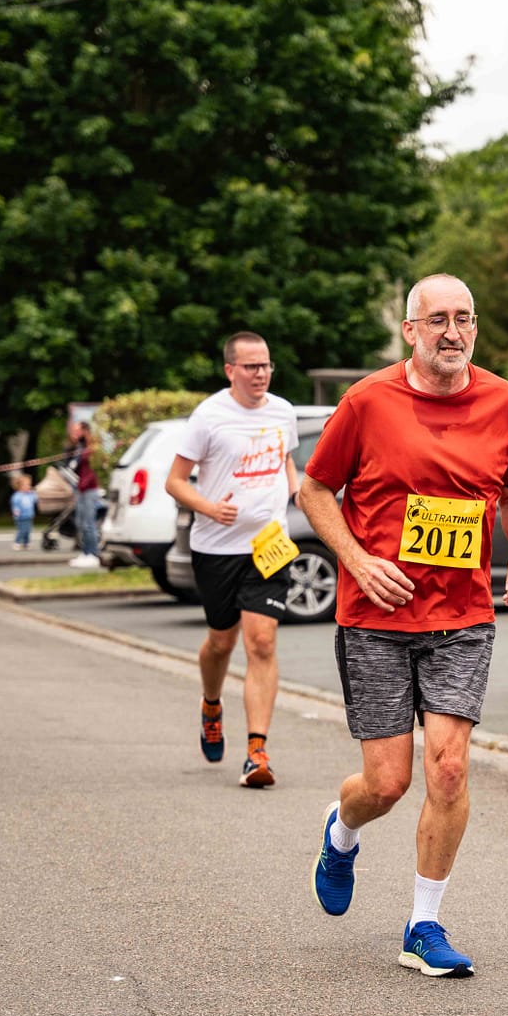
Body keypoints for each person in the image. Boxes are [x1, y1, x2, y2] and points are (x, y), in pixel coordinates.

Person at [299, 273, 508, 978]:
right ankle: (342, 831)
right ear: (410, 330)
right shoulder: (367, 401)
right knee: (386, 783)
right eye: (438, 319)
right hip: (375, 616)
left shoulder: (506, 402)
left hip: (462, 617)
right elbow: (314, 489)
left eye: (464, 318)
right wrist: (357, 560)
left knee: (449, 767)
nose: (452, 332)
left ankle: (423, 924)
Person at [164, 332, 300, 789]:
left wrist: (297, 492)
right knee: (221, 642)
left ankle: (256, 752)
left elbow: (285, 460)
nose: (261, 374)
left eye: (266, 366)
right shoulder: (209, 416)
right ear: (230, 371)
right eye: (251, 367)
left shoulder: (283, 411)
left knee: (261, 642)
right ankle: (211, 703)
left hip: (269, 544)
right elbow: (174, 481)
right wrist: (208, 508)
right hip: (217, 548)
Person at [67, 420, 102, 569]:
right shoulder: (79, 447)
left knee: (89, 523)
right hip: (81, 488)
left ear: (85, 430)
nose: (74, 433)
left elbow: (92, 471)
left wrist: (84, 484)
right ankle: (86, 552)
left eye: (77, 430)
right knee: (81, 522)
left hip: (89, 489)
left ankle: (93, 554)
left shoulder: (92, 447)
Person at [10, 473, 38, 551]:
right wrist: (16, 515)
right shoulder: (17, 496)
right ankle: (17, 542)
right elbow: (15, 506)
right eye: (27, 485)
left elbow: (35, 499)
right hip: (21, 517)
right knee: (22, 530)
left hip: (29, 516)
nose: (29, 486)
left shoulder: (30, 495)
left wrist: (34, 492)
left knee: (28, 531)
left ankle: (26, 543)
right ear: (20, 486)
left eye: (29, 484)